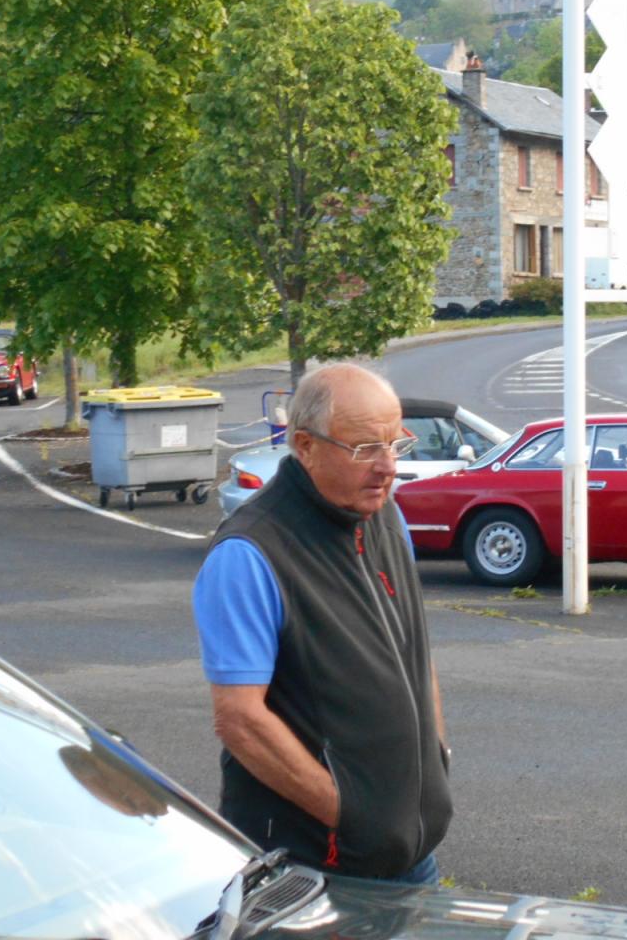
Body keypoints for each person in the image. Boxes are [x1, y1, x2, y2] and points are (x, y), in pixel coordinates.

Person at [192, 363, 452, 883]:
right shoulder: (250, 553)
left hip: (410, 851)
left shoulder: (383, 515)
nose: (388, 467)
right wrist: (351, 815)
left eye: (395, 443)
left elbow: (413, 654)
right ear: (305, 447)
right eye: (364, 449)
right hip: (319, 867)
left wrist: (438, 757)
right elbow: (241, 721)